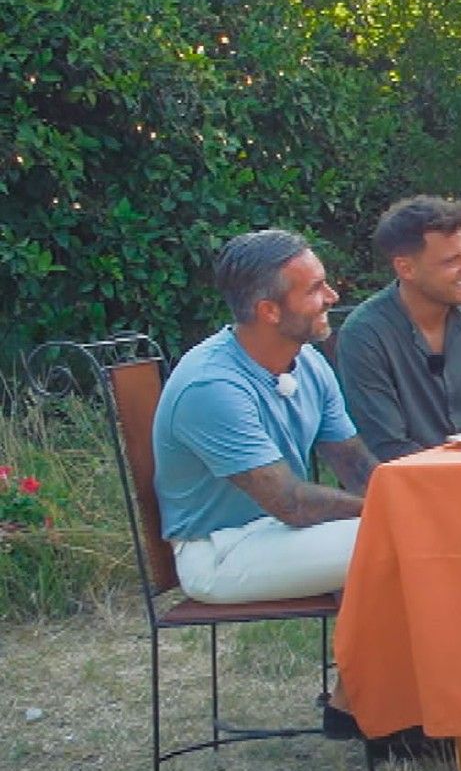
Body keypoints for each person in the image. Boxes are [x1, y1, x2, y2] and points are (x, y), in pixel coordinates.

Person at [152, 229, 377, 605]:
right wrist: (394, 510)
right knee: (406, 539)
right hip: (220, 549)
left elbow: (354, 465)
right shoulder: (212, 386)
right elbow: (291, 502)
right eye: (315, 289)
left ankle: (389, 663)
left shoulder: (307, 362)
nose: (332, 298)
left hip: (280, 531)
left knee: (418, 531)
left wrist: (412, 495)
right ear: (269, 311)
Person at [337, 195, 461, 460]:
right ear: (406, 268)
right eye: (452, 261)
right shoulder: (365, 335)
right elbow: (388, 448)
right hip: (412, 489)